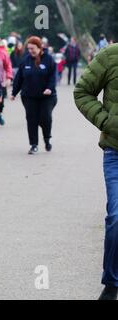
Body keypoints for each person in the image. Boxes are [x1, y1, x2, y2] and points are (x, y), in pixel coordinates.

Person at [74, 43, 118, 300]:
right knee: (116, 217)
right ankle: (112, 283)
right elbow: (82, 92)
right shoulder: (111, 55)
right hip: (115, 150)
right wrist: (107, 122)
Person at [11, 36, 57, 155]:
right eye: (29, 49)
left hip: (47, 96)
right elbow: (19, 78)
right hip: (29, 96)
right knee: (31, 119)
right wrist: (14, 93)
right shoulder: (25, 61)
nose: (30, 51)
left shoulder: (49, 59)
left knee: (45, 117)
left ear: (40, 47)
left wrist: (49, 88)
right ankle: (34, 145)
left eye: (33, 48)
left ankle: (47, 139)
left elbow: (53, 77)